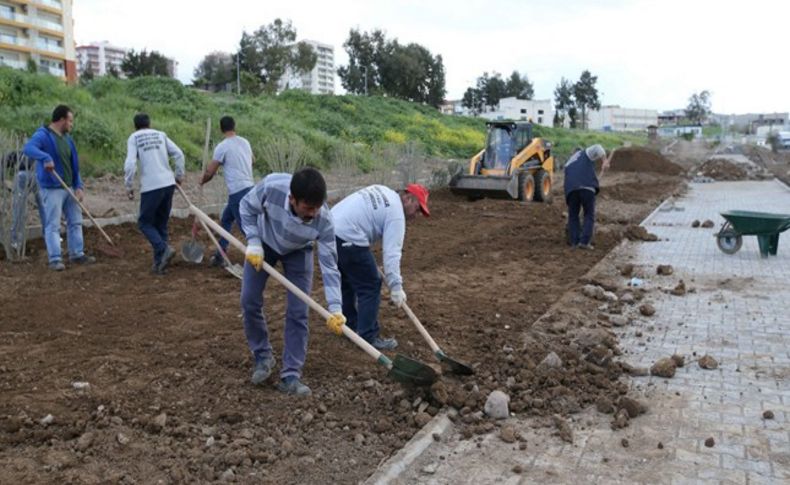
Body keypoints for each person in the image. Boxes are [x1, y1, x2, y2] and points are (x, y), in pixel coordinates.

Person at [239, 167, 345, 396]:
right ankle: (263, 356)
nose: (313, 213)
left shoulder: (324, 220)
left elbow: (329, 265)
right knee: (249, 300)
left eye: (317, 207)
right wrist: (253, 240)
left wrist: (335, 308)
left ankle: (291, 375)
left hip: (299, 250)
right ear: (292, 199)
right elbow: (245, 207)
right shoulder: (271, 187)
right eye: (308, 208)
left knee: (298, 311)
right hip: (264, 242)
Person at [330, 184, 430, 350]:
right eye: (418, 209)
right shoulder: (397, 214)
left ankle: (348, 326)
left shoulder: (383, 190)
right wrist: (396, 286)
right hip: (349, 235)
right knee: (370, 284)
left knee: (347, 280)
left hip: (330, 228)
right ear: (408, 198)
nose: (417, 215)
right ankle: (368, 336)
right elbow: (392, 253)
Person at [23, 105, 95, 271]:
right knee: (53, 225)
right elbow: (28, 149)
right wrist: (45, 157)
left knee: (75, 222)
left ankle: (77, 254)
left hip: (70, 187)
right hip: (52, 188)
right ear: (61, 120)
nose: (72, 124)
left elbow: (74, 165)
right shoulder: (44, 135)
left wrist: (79, 186)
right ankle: (55, 259)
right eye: (70, 121)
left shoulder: (68, 140)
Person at [124, 113, 185, 274]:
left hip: (151, 186)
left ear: (135, 125)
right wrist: (179, 176)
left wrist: (129, 185)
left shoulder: (134, 137)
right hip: (168, 183)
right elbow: (178, 154)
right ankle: (160, 265)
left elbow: (130, 164)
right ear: (149, 124)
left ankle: (163, 249)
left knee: (144, 223)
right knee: (161, 224)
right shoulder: (161, 135)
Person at [199, 116, 255, 267]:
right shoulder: (245, 142)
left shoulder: (222, 147)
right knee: (226, 220)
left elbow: (210, 172)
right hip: (250, 188)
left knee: (246, 228)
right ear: (234, 126)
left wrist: (202, 180)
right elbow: (253, 160)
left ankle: (261, 256)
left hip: (238, 191)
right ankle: (220, 254)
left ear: (221, 129)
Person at [564, 144, 609, 250]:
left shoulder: (567, 164)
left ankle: (575, 242)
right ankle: (584, 242)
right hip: (587, 188)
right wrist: (604, 160)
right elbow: (598, 147)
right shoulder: (584, 153)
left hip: (571, 191)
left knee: (573, 216)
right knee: (589, 214)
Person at [5, 151, 46, 249]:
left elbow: (4, 162)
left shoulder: (16, 155)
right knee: (44, 207)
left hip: (22, 176)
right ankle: (51, 237)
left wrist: (3, 180)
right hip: (39, 176)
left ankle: (16, 241)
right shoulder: (40, 151)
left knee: (18, 209)